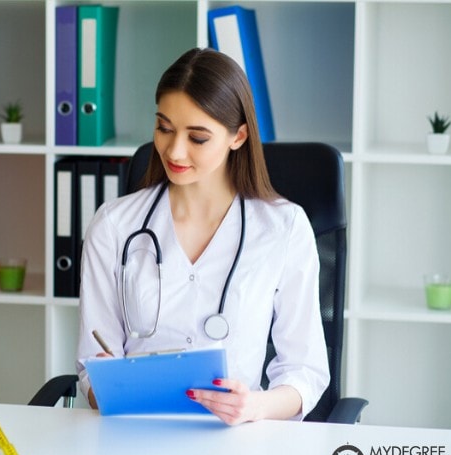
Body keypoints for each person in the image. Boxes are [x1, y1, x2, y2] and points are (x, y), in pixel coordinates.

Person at [75, 48, 329, 425]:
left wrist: (254, 407)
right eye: (164, 128)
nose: (174, 150)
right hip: (135, 436)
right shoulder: (113, 226)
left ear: (238, 136)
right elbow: (91, 370)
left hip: (238, 441)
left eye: (197, 137)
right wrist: (106, 384)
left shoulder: (284, 228)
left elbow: (305, 371)